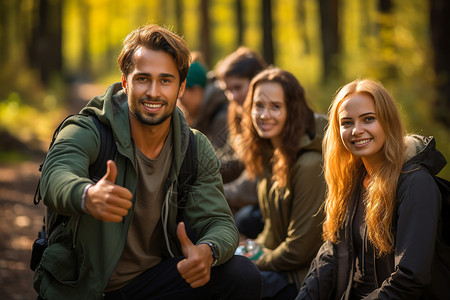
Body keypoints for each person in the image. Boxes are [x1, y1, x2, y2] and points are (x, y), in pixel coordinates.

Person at [33, 24, 262, 300]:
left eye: (166, 80)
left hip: (152, 284)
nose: (153, 92)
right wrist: (86, 194)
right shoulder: (89, 129)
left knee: (241, 275)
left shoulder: (193, 146)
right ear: (126, 81)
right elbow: (56, 173)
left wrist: (209, 251)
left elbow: (219, 221)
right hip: (85, 288)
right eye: (143, 79)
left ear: (181, 87)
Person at [297, 79, 449, 299]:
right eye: (347, 122)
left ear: (387, 122)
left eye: (368, 119)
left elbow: (410, 277)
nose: (357, 130)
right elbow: (330, 256)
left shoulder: (416, 183)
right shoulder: (351, 180)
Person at [239, 67, 327, 299]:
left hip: (305, 278)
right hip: (283, 268)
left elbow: (298, 250)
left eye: (275, 106)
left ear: (293, 110)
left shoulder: (310, 164)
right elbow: (272, 229)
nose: (264, 115)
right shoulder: (273, 154)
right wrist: (247, 251)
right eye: (259, 105)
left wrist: (257, 262)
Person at [214, 47, 268, 240]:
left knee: (243, 220)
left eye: (237, 88)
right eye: (227, 90)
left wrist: (214, 191)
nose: (232, 96)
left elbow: (256, 182)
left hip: (270, 200)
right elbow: (238, 159)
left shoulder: (268, 120)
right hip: (254, 194)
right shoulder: (237, 112)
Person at [178, 59, 229, 149]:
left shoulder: (221, 117)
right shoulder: (206, 113)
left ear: (196, 90)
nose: (179, 101)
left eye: (181, 95)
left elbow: (217, 161)